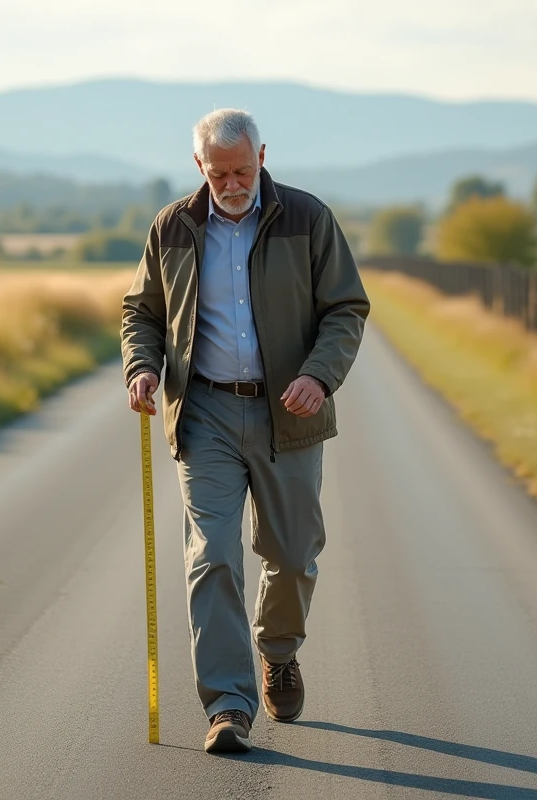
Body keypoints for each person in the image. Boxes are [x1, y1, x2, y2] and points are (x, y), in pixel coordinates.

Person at [121, 108, 369, 754]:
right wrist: (143, 365)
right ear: (198, 167)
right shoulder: (172, 227)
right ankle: (229, 704)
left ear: (263, 156)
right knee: (213, 556)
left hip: (291, 412)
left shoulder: (308, 219)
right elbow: (141, 311)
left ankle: (278, 652)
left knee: (291, 554)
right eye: (219, 171)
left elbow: (346, 308)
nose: (233, 182)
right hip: (202, 413)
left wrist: (320, 376)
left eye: (242, 168)